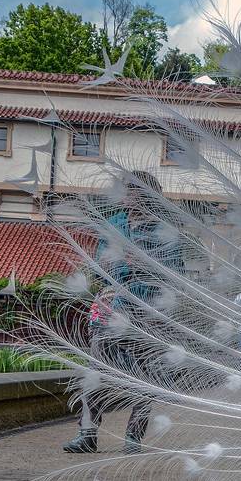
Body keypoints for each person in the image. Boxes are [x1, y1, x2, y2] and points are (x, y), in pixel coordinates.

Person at [64, 171, 184, 455]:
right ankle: (88, 432)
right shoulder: (113, 225)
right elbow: (99, 265)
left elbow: (176, 276)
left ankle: (133, 437)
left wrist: (144, 268)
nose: (128, 196)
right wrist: (118, 266)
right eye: (126, 191)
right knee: (95, 369)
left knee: (144, 375)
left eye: (134, 191)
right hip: (111, 309)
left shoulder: (166, 232)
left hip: (146, 313)